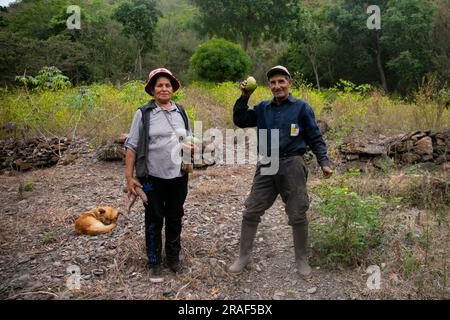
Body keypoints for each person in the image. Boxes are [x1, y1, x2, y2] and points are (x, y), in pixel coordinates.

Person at [229, 65, 333, 276]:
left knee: (297, 212)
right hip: (267, 163)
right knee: (252, 210)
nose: (277, 86)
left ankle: (301, 259)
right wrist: (244, 96)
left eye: (281, 81)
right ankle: (243, 256)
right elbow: (240, 120)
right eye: (273, 83)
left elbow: (314, 137)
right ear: (269, 86)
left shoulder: (302, 108)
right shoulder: (262, 108)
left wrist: (324, 161)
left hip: (293, 163)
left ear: (289, 83)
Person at [124, 68, 192, 282]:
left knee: (175, 217)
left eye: (167, 85)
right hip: (151, 177)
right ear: (152, 89)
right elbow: (132, 146)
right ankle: (154, 263)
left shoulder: (181, 111)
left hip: (178, 176)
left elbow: (189, 140)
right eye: (159, 85)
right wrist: (129, 177)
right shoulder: (143, 113)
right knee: (154, 219)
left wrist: (191, 153)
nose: (164, 88)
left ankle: (173, 260)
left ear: (173, 89)